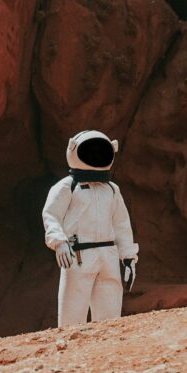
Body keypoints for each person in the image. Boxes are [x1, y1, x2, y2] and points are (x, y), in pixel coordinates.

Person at [42, 129, 139, 327]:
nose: (96, 155)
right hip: (79, 255)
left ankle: (105, 352)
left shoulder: (111, 189)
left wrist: (128, 258)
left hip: (108, 255)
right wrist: (59, 242)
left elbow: (121, 224)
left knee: (109, 316)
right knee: (72, 314)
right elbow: (51, 215)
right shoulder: (67, 186)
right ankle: (70, 352)